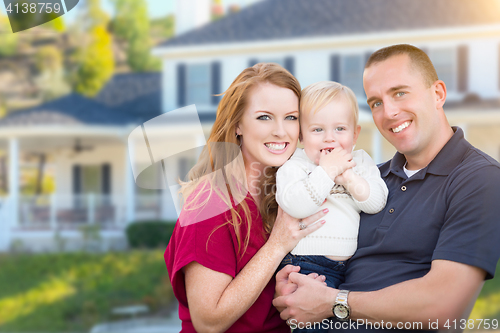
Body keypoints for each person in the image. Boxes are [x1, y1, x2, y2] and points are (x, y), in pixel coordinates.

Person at [273, 44, 500, 332]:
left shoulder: (479, 178)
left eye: (400, 93)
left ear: (438, 94)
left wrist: (333, 301)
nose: (389, 112)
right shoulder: (369, 179)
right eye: (376, 102)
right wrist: (294, 284)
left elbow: (444, 308)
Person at [164, 63, 328, 333]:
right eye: (264, 117)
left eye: (291, 117)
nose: (281, 131)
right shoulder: (210, 204)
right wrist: (277, 246)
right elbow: (209, 321)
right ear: (238, 124)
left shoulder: (292, 193)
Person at [275, 81, 388, 298]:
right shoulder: (295, 164)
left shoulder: (360, 162)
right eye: (317, 129)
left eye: (340, 129)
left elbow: (377, 202)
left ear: (354, 135)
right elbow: (296, 206)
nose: (330, 137)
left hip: (353, 267)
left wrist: (349, 178)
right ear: (300, 136)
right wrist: (326, 172)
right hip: (306, 265)